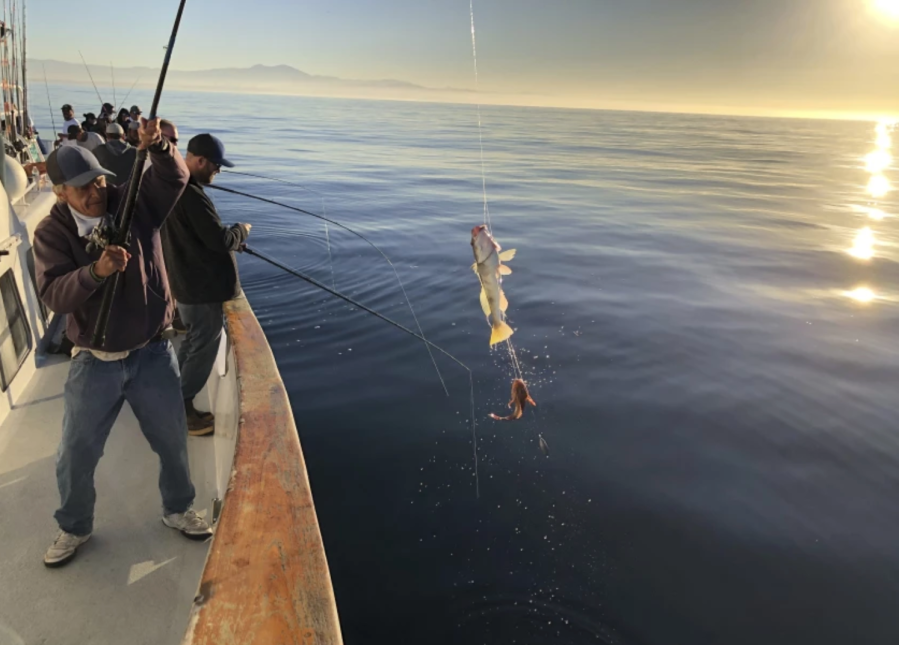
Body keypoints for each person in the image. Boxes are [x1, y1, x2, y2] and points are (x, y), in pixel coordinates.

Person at [32, 118, 212, 568]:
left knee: (172, 441)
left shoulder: (133, 202)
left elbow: (174, 177)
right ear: (59, 191)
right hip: (94, 359)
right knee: (76, 452)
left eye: (97, 180)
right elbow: (54, 292)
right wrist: (96, 272)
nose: (95, 191)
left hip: (151, 351)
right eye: (81, 187)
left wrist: (159, 147)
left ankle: (177, 509)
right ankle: (74, 526)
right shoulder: (51, 233)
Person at [161, 134, 250, 436]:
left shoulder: (175, 187)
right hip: (199, 289)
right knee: (203, 345)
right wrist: (240, 231)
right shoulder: (192, 195)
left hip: (185, 284)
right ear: (200, 161)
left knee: (193, 342)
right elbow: (219, 240)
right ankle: (182, 412)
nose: (218, 171)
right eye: (215, 165)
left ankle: (171, 398)